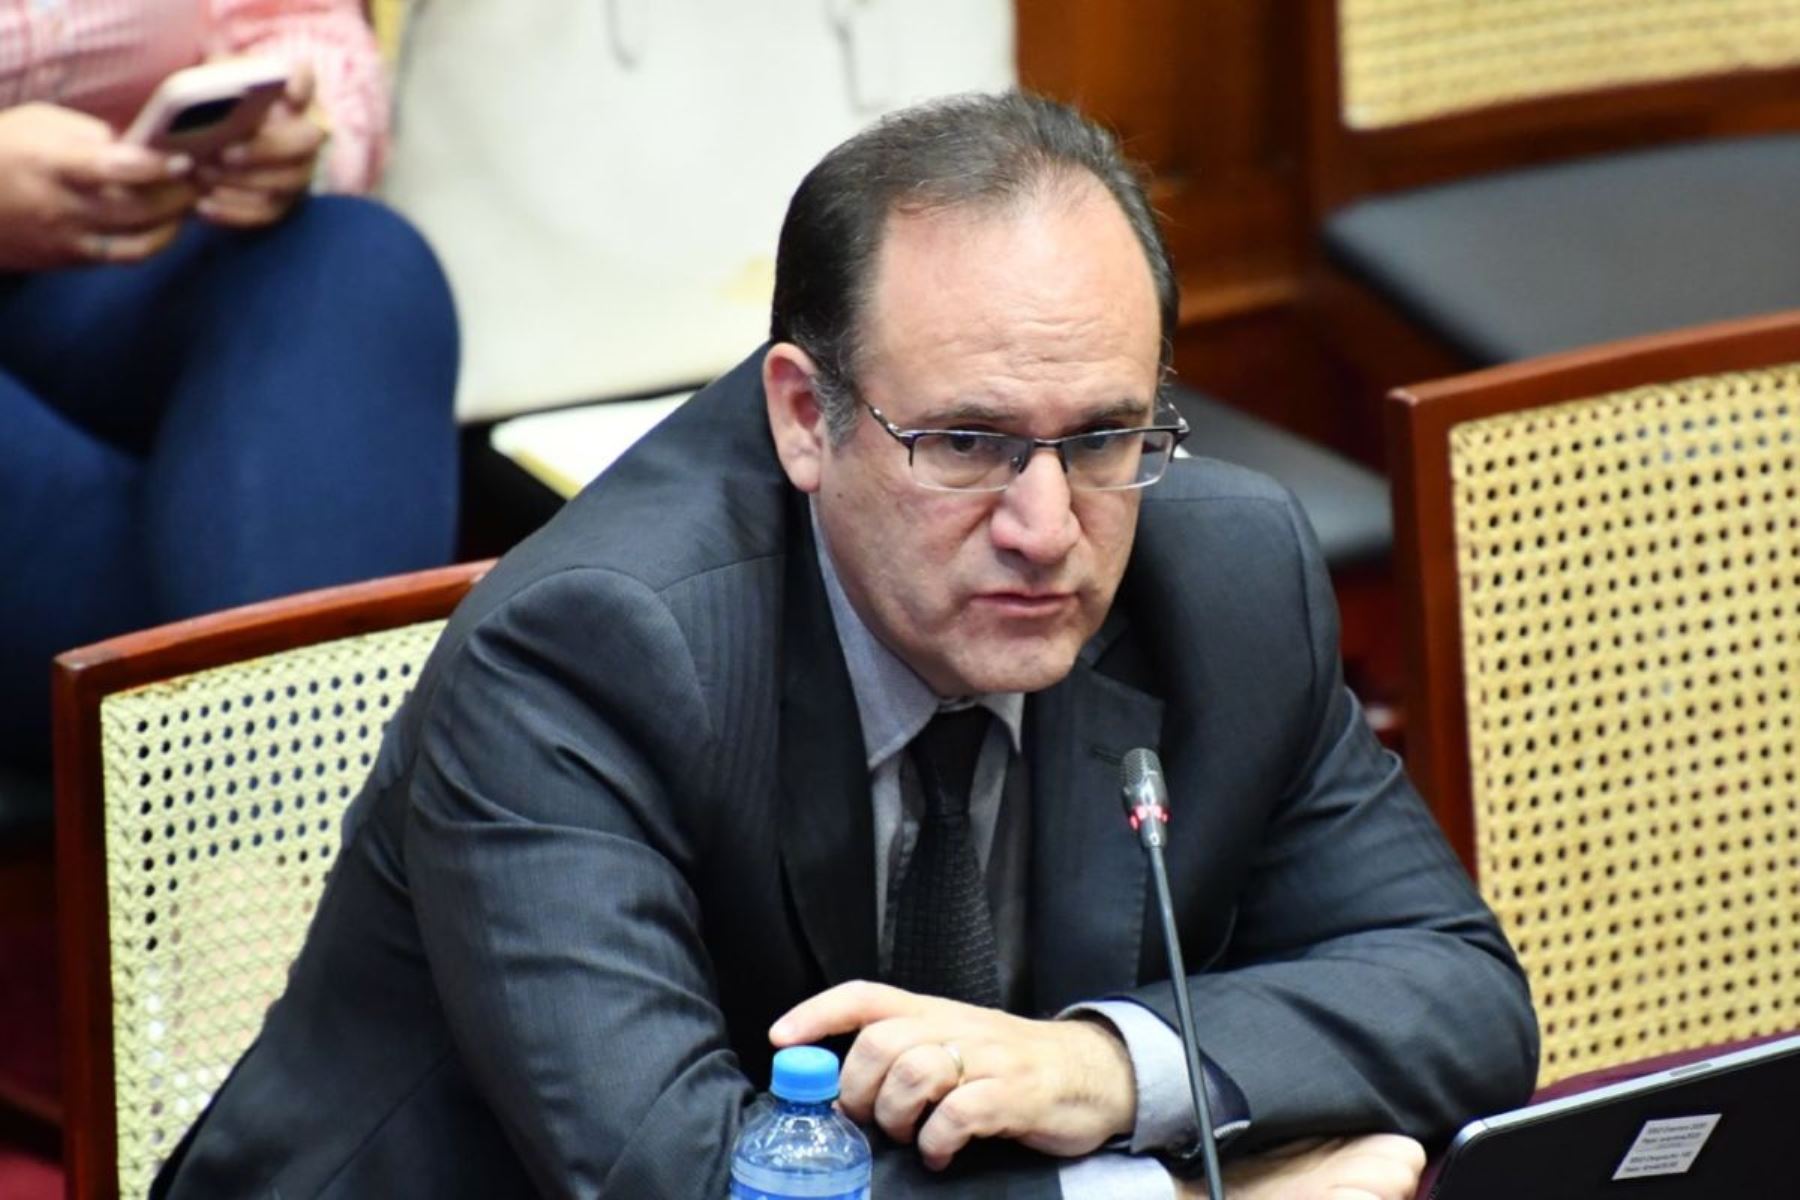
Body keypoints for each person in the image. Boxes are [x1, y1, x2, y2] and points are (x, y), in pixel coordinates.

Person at [154, 92, 1537, 1198]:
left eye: (1107, 438)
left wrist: (1102, 1074)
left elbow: (1459, 995)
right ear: (806, 418)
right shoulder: (588, 653)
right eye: (969, 444)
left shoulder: (1224, 576)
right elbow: (683, 1178)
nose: (1047, 527)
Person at [0, 0, 458, 775]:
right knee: (233, 608)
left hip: (139, 249)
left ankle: (279, 828)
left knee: (356, 266)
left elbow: (301, 23)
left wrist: (296, 131)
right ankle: (295, 810)